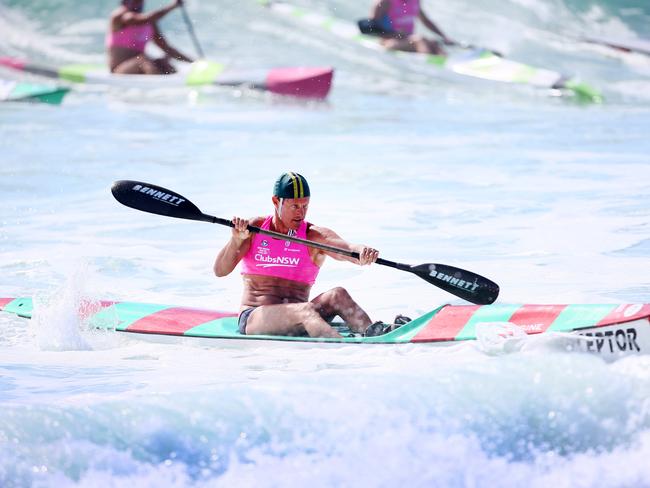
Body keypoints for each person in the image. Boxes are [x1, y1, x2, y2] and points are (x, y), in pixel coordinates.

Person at [213, 172, 387, 339]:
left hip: (300, 315)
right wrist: (236, 240)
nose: (301, 213)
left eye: (305, 206)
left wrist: (362, 252)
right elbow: (220, 270)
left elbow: (346, 249)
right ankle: (344, 349)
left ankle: (377, 336)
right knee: (304, 311)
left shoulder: (313, 235)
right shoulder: (253, 229)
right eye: (294, 206)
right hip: (255, 317)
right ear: (276, 202)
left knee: (338, 295)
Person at [107, 0, 193, 74]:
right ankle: (159, 88)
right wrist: (172, 6)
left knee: (163, 63)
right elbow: (141, 19)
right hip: (119, 70)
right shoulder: (118, 17)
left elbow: (167, 48)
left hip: (141, 67)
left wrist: (194, 63)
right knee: (143, 60)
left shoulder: (150, 23)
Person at [360, 0, 456, 54]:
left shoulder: (415, 1)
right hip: (389, 41)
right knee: (420, 39)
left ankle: (445, 66)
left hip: (409, 39)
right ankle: (425, 67)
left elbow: (426, 21)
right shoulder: (384, 2)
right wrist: (394, 34)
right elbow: (370, 28)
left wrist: (444, 37)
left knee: (434, 44)